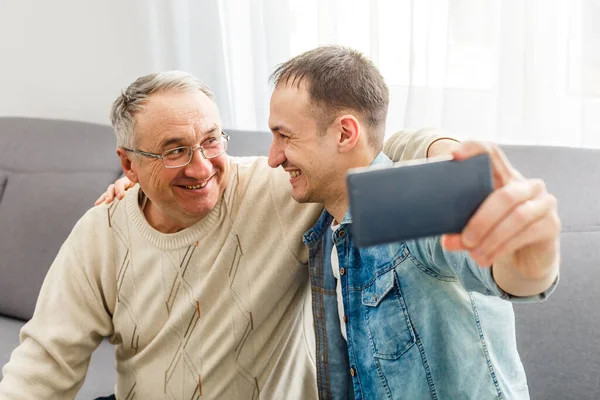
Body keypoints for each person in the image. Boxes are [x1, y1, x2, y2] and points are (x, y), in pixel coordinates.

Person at [0, 70, 454, 399]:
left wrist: (440, 147)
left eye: (211, 141)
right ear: (129, 164)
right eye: (174, 151)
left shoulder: (281, 190)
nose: (201, 167)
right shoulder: (100, 233)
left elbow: (362, 148)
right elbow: (45, 362)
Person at [265, 45, 561, 399]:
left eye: (285, 136)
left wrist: (531, 256)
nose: (273, 157)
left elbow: (507, 273)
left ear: (345, 133)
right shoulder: (326, 234)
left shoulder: (416, 205)